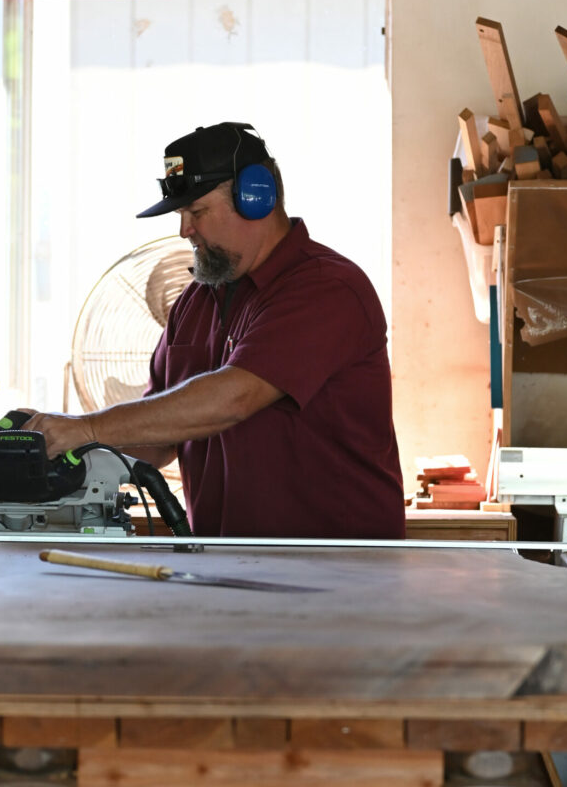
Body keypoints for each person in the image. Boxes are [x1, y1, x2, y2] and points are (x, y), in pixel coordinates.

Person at [23, 120, 405, 539]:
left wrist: (88, 429)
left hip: (340, 573)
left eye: (196, 212)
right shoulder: (195, 301)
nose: (184, 230)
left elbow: (234, 397)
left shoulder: (326, 289)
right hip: (229, 564)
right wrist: (59, 435)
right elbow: (159, 442)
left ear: (255, 197)